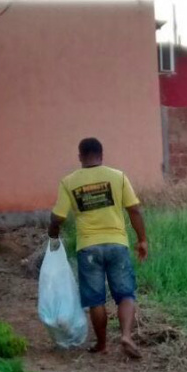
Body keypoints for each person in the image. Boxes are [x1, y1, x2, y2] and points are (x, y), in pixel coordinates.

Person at [48, 137, 148, 359]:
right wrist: (142, 240)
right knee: (125, 294)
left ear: (80, 157)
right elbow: (135, 210)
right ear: (102, 155)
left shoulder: (69, 182)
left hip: (89, 248)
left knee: (95, 300)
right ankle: (126, 336)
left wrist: (52, 236)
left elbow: (58, 217)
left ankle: (102, 344)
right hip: (117, 244)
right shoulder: (117, 177)